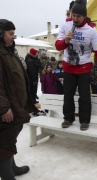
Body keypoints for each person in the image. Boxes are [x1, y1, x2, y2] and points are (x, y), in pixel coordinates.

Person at [55, 0, 97, 131]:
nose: (74, 18)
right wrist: (66, 40)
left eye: (78, 16)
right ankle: (68, 118)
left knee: (84, 95)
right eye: (73, 15)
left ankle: (84, 120)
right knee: (68, 94)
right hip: (68, 66)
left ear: (84, 16)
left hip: (84, 67)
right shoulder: (66, 23)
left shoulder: (91, 30)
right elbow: (58, 45)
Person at [0, 19, 37, 180]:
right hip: (6, 108)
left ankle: (12, 168)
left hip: (15, 105)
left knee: (11, 137)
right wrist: (3, 108)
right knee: (5, 142)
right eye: (10, 34)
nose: (13, 37)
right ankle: (7, 176)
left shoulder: (8, 51)